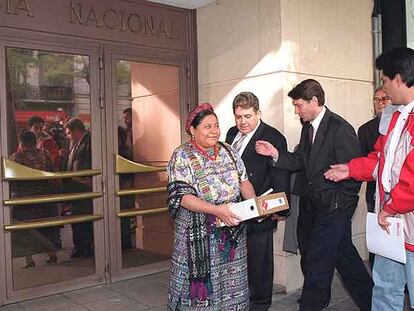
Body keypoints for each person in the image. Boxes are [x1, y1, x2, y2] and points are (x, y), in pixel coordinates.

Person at [255, 79, 373, 311]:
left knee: (317, 267)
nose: (296, 110)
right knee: (346, 261)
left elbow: (353, 172)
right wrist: (276, 153)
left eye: (299, 105)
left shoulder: (340, 128)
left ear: (314, 101)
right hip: (312, 208)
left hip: (333, 209)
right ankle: (374, 304)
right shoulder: (307, 127)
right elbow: (302, 161)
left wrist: (339, 205)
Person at [325, 47, 414, 311]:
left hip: (403, 222)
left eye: (385, 81)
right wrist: (350, 169)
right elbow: (381, 159)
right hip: (392, 225)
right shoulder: (395, 116)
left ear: (399, 78)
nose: (384, 91)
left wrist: (390, 206)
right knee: (385, 291)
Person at [167, 103, 256, 310]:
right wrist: (217, 210)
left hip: (232, 233)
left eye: (216, 125)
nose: (214, 130)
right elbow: (183, 197)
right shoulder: (182, 155)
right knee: (201, 291)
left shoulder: (229, 151)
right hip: (198, 233)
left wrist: (254, 205)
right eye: (207, 126)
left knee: (232, 285)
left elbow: (244, 181)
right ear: (192, 129)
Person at [225, 92, 290, 311]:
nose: (242, 122)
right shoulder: (231, 133)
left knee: (259, 263)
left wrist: (279, 208)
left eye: (248, 116)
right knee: (239, 262)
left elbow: (281, 174)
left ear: (258, 113)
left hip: (261, 211)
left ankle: (260, 305)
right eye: (238, 116)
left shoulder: (274, 136)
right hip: (235, 211)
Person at [9, 130, 60, 267]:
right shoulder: (45, 154)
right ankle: (52, 255)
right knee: (46, 228)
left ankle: (29, 260)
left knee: (25, 230)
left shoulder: (16, 157)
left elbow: (11, 179)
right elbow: (53, 173)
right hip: (44, 198)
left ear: (22, 142)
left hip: (24, 200)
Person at [358, 85, 392, 268]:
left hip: (399, 193)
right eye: (377, 100)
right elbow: (363, 161)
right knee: (377, 234)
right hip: (374, 191)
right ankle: (375, 265)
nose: (381, 103)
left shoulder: (401, 123)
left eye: (384, 99)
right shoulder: (365, 130)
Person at [63, 118, 93, 258]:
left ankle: (84, 247)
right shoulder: (74, 145)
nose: (67, 136)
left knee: (84, 220)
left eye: (69, 133)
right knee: (78, 219)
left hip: (84, 187)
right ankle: (80, 246)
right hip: (76, 188)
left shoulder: (90, 142)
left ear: (76, 131)